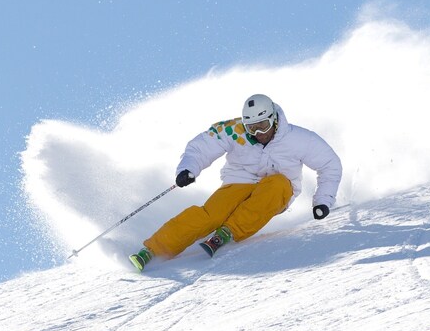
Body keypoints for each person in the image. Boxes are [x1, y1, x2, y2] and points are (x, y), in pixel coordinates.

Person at [129, 94, 342, 271]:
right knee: (210, 215)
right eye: (252, 128)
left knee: (276, 183)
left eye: (263, 126)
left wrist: (322, 200)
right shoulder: (234, 130)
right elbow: (202, 146)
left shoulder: (299, 139)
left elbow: (330, 164)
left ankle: (229, 232)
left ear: (274, 119)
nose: (258, 133)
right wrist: (188, 168)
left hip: (278, 189)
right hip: (238, 182)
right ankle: (153, 250)